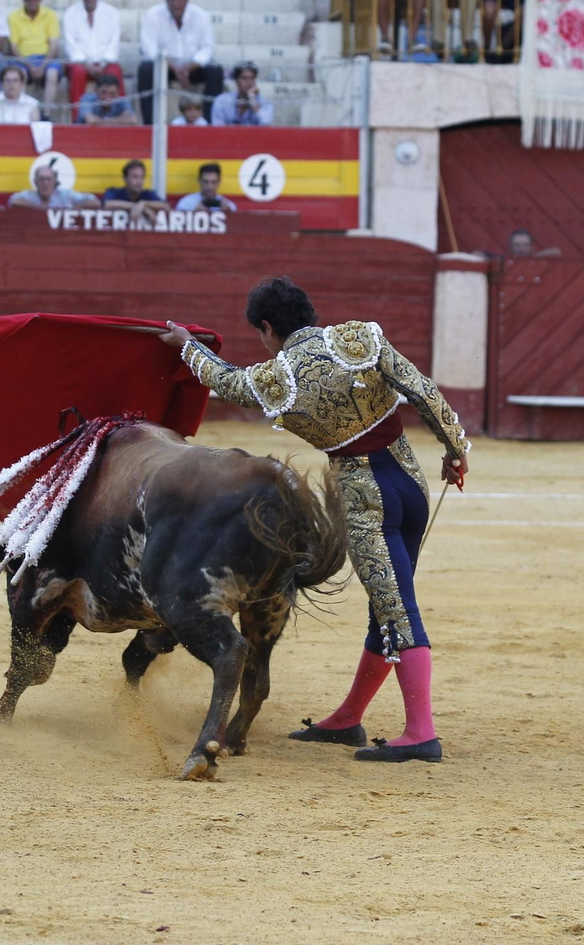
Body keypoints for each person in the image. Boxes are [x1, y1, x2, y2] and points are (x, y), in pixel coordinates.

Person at [159, 276, 470, 763]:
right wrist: (455, 451)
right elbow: (424, 391)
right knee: (388, 604)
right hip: (409, 482)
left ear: (267, 327)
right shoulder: (359, 337)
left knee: (396, 609)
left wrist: (188, 347)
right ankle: (347, 719)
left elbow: (223, 379)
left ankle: (421, 733)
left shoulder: (275, 377)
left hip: (365, 497)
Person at [137, 0, 223, 123]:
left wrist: (189, 67)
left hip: (193, 67)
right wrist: (173, 67)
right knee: (145, 70)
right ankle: (150, 124)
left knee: (215, 71)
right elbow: (149, 50)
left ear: (187, 0)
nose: (175, 3)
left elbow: (207, 48)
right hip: (166, 67)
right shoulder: (153, 15)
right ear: (166, 0)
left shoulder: (200, 16)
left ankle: (209, 123)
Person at [61, 0, 123, 106]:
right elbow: (71, 44)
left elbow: (114, 43)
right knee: (77, 72)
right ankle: (77, 119)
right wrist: (86, 64)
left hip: (105, 62)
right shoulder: (70, 13)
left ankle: (120, 115)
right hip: (81, 63)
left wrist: (103, 63)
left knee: (115, 72)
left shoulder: (112, 13)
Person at [8, 0, 62, 108]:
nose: (32, 0)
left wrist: (43, 66)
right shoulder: (13, 17)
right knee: (20, 73)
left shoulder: (51, 15)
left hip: (45, 58)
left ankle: (46, 114)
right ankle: (22, 113)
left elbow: (53, 44)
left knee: (52, 74)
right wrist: (29, 65)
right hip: (22, 59)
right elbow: (13, 47)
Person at [7, 164, 99, 211]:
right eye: (41, 179)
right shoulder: (30, 195)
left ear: (55, 182)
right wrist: (42, 209)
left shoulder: (66, 195)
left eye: (48, 179)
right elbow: (14, 201)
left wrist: (69, 210)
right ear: (35, 182)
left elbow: (94, 202)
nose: (45, 183)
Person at [102, 159, 168, 223]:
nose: (139, 181)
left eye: (141, 177)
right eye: (135, 177)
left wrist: (143, 203)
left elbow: (165, 205)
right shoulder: (114, 192)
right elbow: (106, 204)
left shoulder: (147, 194)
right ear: (125, 178)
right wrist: (139, 207)